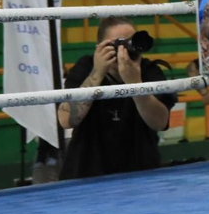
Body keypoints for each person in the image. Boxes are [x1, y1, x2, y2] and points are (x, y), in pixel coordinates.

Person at [57, 17, 176, 179]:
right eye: (116, 45)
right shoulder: (86, 67)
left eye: (129, 43)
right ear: (98, 48)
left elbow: (160, 122)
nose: (124, 50)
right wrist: (97, 73)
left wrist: (135, 84)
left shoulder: (149, 70)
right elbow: (66, 120)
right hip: (87, 174)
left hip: (140, 173)